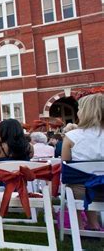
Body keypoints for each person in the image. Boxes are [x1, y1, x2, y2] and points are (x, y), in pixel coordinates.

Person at [62, 93, 104, 230]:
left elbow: (65, 164)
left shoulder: (71, 136)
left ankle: (79, 224)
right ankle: (94, 224)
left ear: (85, 113)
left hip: (80, 192)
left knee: (76, 183)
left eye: (79, 109)